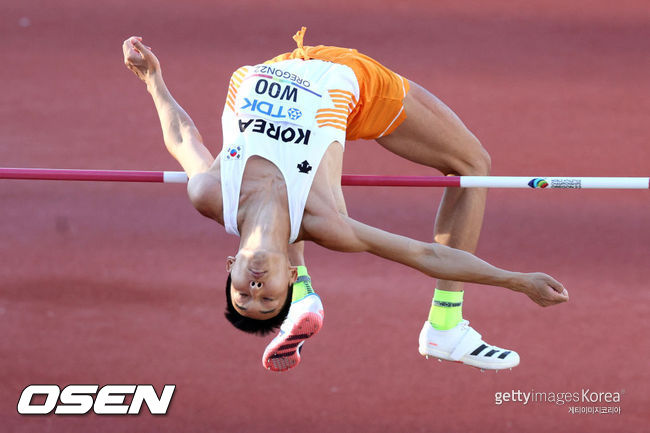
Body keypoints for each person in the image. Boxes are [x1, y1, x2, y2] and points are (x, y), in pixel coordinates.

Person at [122, 28, 568, 372]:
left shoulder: (209, 194)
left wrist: (152, 81)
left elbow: (183, 137)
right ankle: (446, 327)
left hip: (285, 62)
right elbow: (424, 253)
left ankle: (311, 298)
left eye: (243, 294)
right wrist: (517, 281)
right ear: (287, 278)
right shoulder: (326, 222)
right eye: (266, 299)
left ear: (230, 268)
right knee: (474, 165)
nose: (255, 289)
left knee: (276, 222)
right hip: (357, 88)